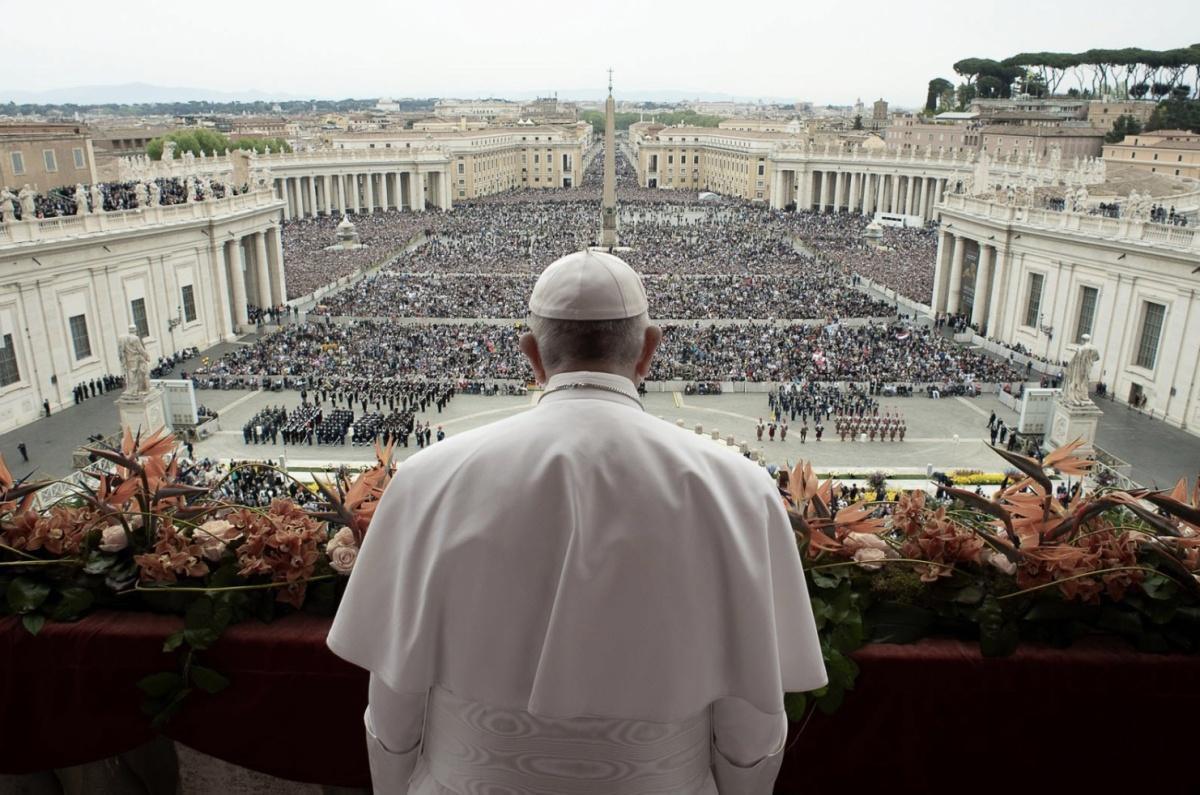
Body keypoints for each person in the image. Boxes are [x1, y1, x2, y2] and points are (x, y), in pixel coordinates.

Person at [328, 249, 826, 795]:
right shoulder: (741, 489)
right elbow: (750, 716)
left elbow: (394, 701)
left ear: (531, 354)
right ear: (649, 351)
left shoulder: (427, 479)